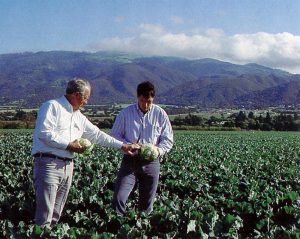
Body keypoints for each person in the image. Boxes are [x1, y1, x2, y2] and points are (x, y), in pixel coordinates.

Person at [32, 78, 138, 226]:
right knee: (45, 215)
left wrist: (123, 146)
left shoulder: (79, 117)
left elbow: (97, 135)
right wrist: (69, 145)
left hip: (68, 166)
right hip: (49, 164)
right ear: (76, 95)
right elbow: (44, 133)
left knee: (56, 215)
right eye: (86, 98)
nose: (86, 102)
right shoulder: (52, 107)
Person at [111, 81, 173, 215]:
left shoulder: (160, 114)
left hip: (152, 162)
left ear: (153, 99)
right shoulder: (125, 113)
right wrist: (127, 145)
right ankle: (117, 226)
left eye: (149, 101)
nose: (146, 105)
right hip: (130, 160)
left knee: (147, 203)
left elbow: (167, 140)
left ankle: (141, 230)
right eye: (142, 101)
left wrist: (158, 150)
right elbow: (115, 135)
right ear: (137, 97)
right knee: (119, 198)